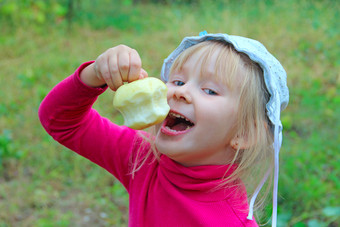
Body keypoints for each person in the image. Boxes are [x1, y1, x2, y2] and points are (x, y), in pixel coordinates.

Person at [39, 32, 289, 227]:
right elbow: (61, 122)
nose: (180, 91)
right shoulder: (143, 160)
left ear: (243, 133)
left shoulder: (231, 222)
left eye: (209, 90)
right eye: (178, 81)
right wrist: (95, 73)